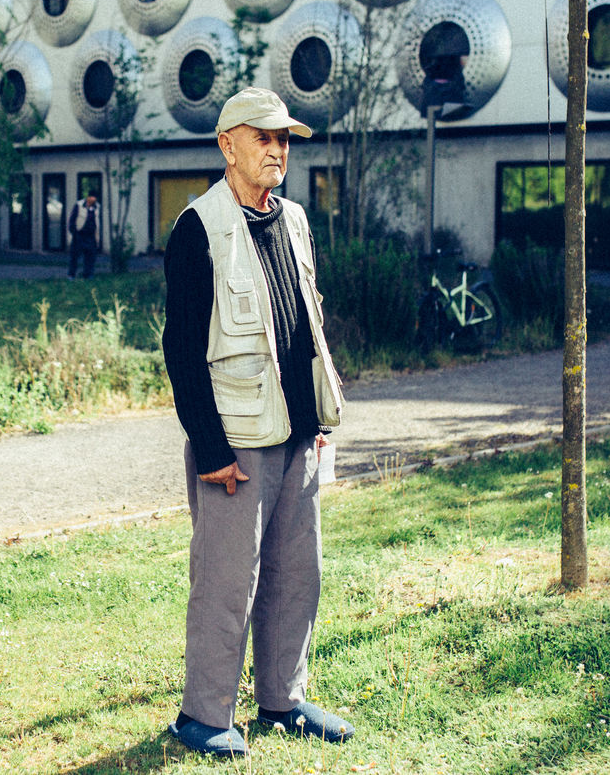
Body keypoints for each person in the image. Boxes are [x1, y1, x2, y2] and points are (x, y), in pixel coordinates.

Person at [161, 86, 353, 757]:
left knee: (297, 574)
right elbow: (182, 350)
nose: (276, 150)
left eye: (283, 140)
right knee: (226, 581)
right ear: (228, 144)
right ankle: (201, 715)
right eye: (263, 137)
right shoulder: (198, 227)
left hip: (299, 433)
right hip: (235, 443)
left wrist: (318, 413)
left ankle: (282, 701)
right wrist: (210, 447)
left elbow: (304, 323)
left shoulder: (294, 219)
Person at [66, 193, 100, 279]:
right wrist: (73, 231)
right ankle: (71, 274)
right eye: (91, 198)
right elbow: (72, 219)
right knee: (75, 256)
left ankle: (88, 274)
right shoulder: (79, 205)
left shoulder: (96, 207)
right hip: (80, 234)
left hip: (91, 235)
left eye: (94, 199)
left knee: (90, 256)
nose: (93, 200)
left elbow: (97, 221)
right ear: (88, 198)